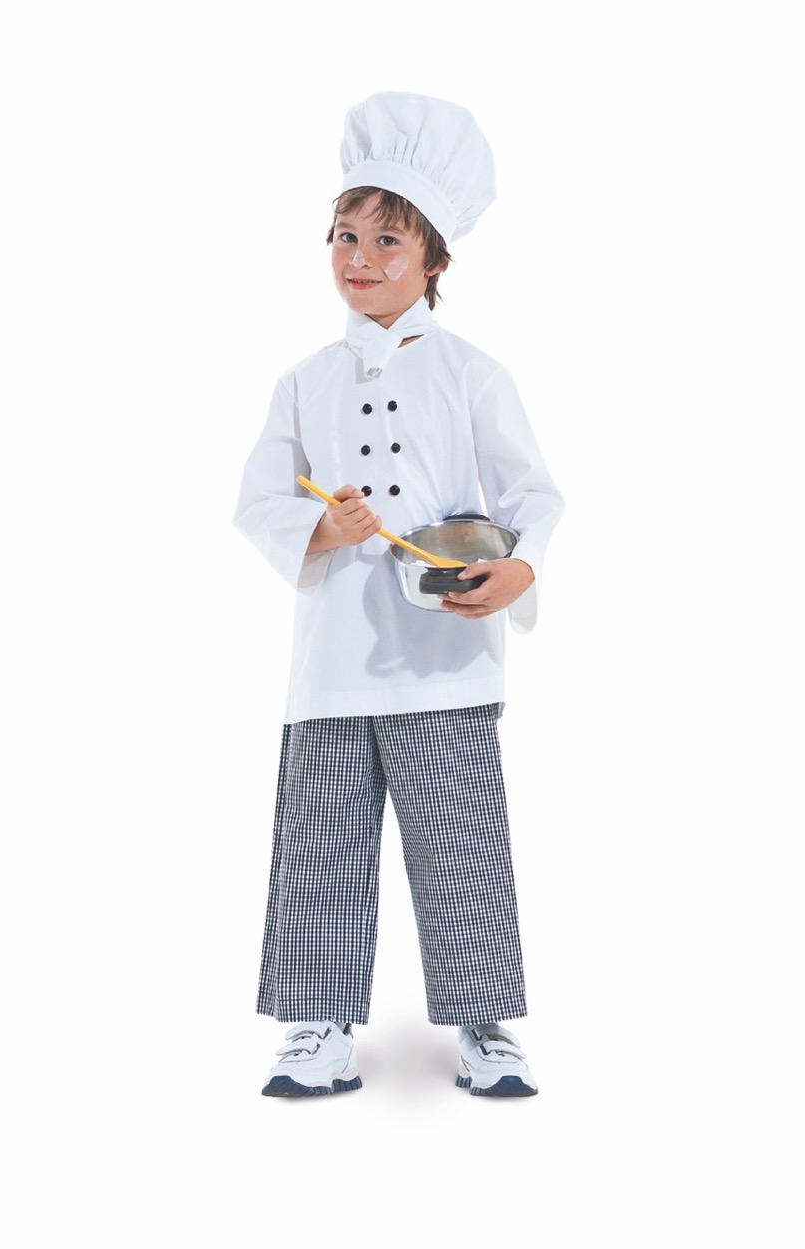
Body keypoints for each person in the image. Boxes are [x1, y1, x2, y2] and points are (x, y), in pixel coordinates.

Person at [234, 91, 564, 1098]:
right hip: (332, 662)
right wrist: (317, 531)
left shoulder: (472, 375)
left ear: (433, 262)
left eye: (387, 238)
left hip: (447, 659)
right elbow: (257, 499)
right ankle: (317, 1024)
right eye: (345, 235)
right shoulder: (303, 382)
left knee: (461, 850)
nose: (361, 257)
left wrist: (518, 568)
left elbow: (533, 497)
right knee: (321, 847)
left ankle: (483, 1022)